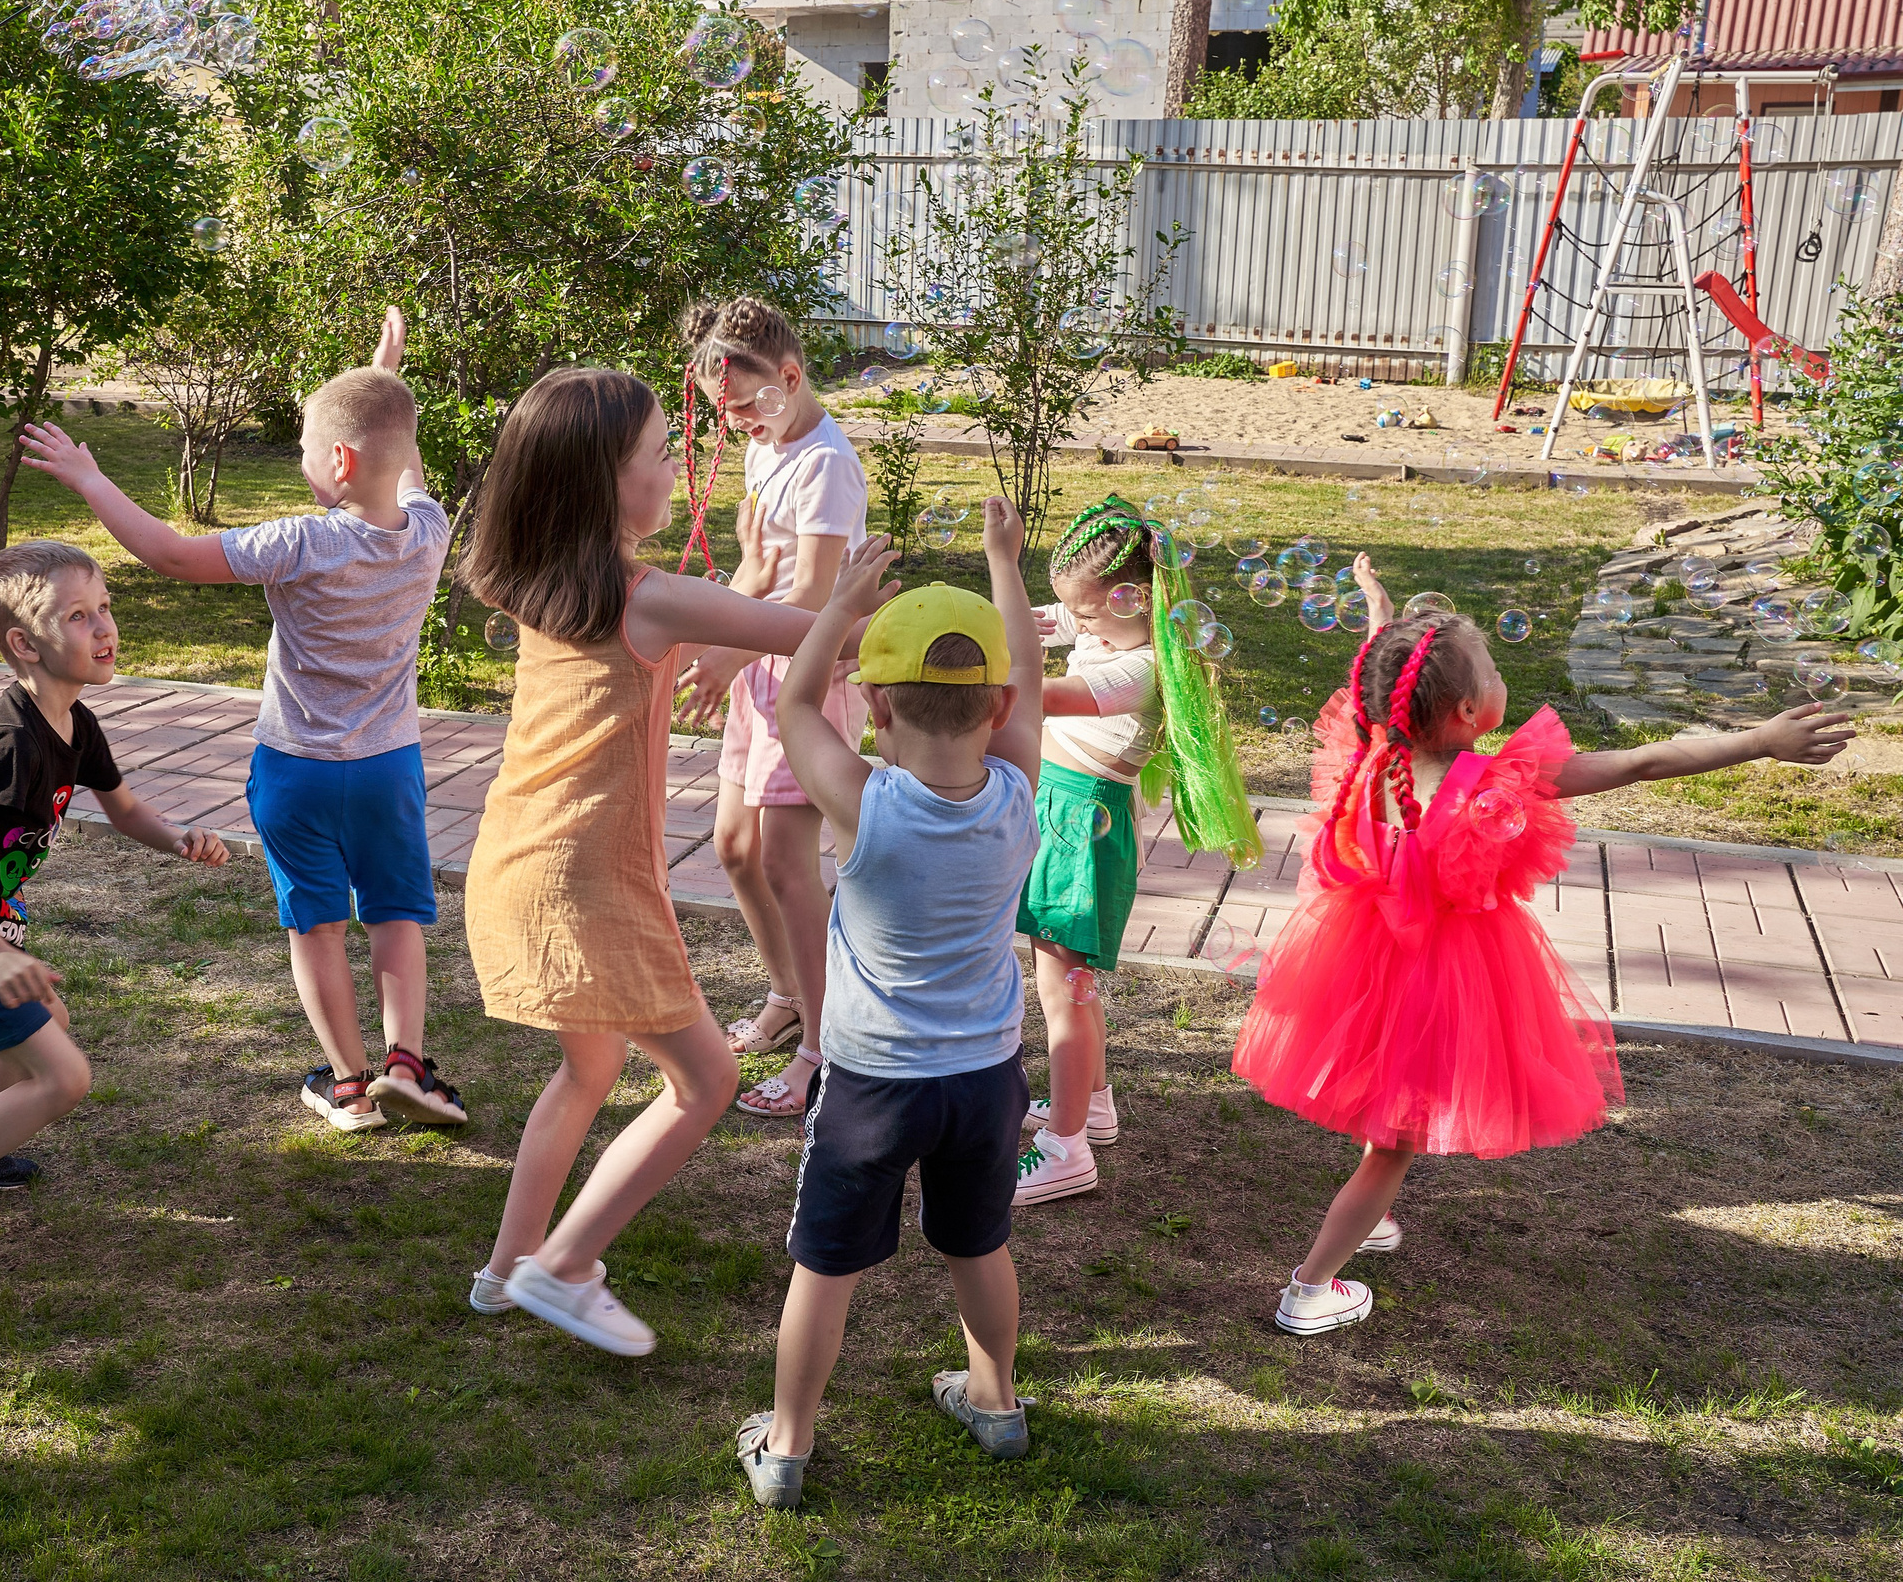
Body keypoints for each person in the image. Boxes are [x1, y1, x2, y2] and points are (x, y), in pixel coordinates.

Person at [1236, 581, 1854, 1336]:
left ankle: (1370, 1219)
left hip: (1363, 966)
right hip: (1445, 981)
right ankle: (1309, 1287)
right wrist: (1757, 741)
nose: (1503, 677)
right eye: (1494, 670)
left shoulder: (1367, 754)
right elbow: (1642, 763)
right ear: (1469, 711)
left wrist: (1379, 618)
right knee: (1391, 1149)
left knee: (1389, 1092)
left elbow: (1378, 681)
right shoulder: (1494, 784)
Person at [456, 367, 863, 1356]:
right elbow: (824, 641)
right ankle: (564, 1265)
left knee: (590, 1064)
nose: (675, 467)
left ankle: (506, 1269)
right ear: (604, 482)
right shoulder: (649, 598)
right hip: (586, 882)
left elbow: (737, 622)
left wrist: (760, 582)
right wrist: (969, 623)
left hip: (516, 861)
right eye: (657, 454)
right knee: (706, 1080)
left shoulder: (545, 585)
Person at [19, 310, 467, 1133]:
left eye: (304, 448)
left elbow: (170, 554)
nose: (300, 460)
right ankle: (408, 1063)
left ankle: (349, 1086)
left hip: (297, 772)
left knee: (316, 926)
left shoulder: (299, 543)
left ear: (338, 462)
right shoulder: (429, 533)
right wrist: (384, 377)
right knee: (397, 912)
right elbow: (402, 463)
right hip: (388, 767)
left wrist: (90, 479)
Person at [734, 503, 1049, 1508]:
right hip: (984, 1080)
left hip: (873, 1083)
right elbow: (1030, 670)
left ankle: (786, 1445)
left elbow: (792, 705)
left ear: (873, 707)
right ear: (999, 706)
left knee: (825, 1267)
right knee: (978, 1242)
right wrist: (1005, 562)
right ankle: (995, 1400)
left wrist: (837, 608)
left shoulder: (864, 802)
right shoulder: (1018, 788)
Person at [0, 541, 230, 1294]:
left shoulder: (74, 723)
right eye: (78, 616)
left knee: (40, 1031)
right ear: (26, 645)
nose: (105, 627)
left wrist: (177, 839)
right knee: (63, 1077)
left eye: (105, 608)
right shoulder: (8, 743)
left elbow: (124, 809)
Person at [1014, 496, 1260, 1206]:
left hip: (1079, 827)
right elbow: (1042, 619)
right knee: (1072, 983)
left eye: (1090, 614)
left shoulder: (1145, 667)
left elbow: (1043, 694)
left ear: (1137, 598)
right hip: (1067, 817)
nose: (1080, 625)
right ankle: (1091, 1107)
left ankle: (1065, 1150)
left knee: (1062, 992)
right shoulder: (1113, 625)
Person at [672, 298, 870, 1121]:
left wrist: (729, 647)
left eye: (745, 404)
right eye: (721, 410)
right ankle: (789, 993)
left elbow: (815, 596)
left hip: (807, 679)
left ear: (790, 376)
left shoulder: (826, 464)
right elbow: (762, 569)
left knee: (789, 864)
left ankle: (825, 1049)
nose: (735, 422)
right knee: (734, 846)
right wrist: (725, 628)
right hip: (760, 666)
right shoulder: (770, 444)